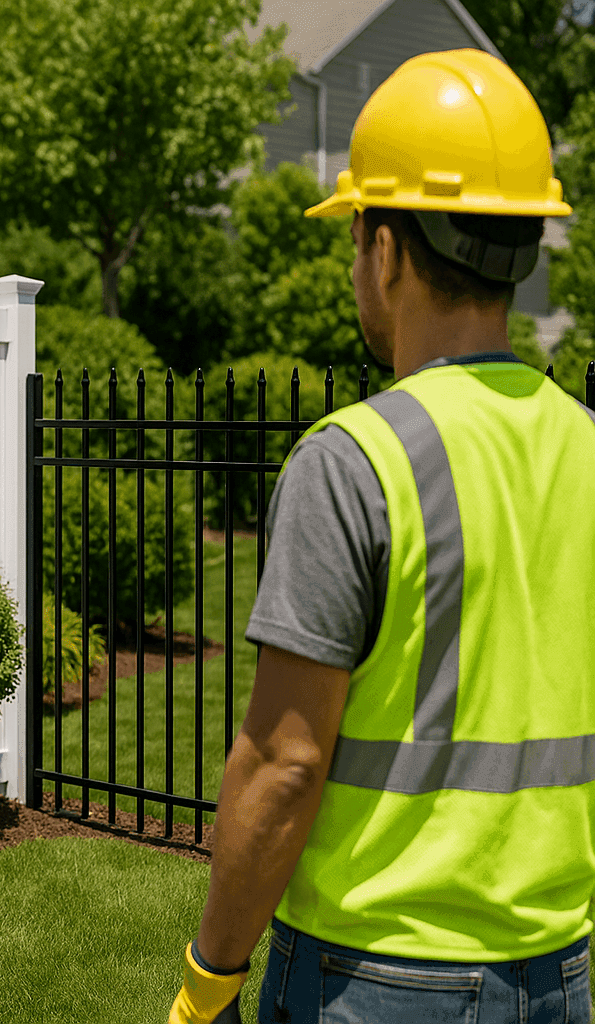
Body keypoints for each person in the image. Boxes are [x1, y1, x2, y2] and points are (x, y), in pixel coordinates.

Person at [167, 48, 595, 1024]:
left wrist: (208, 984)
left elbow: (285, 763)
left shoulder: (353, 459)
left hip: (375, 984)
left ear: (388, 247)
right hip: (557, 975)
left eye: (358, 234)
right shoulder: (587, 449)